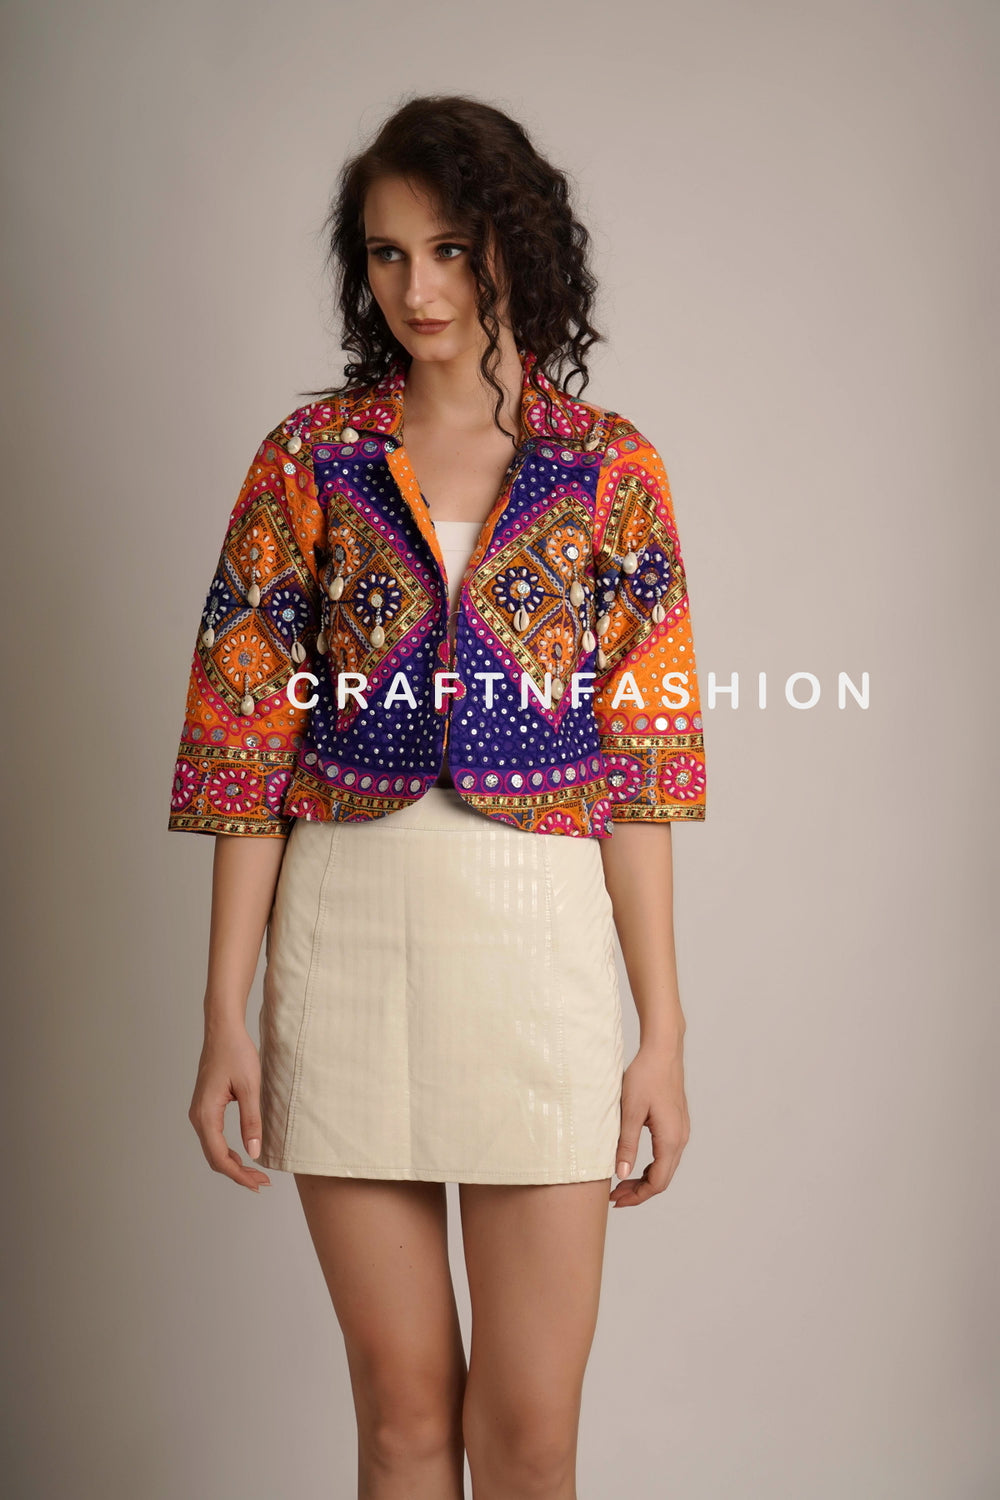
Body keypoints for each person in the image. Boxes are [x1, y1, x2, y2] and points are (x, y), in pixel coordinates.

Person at [170, 93, 706, 1500]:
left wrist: (661, 1030)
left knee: (527, 1438)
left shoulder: (612, 471)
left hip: (539, 960)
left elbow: (645, 770)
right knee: (403, 1419)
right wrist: (224, 1010)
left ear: (515, 249)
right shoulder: (308, 461)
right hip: (345, 956)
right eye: (388, 253)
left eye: (452, 250)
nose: (419, 288)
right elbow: (243, 747)